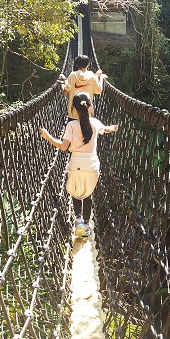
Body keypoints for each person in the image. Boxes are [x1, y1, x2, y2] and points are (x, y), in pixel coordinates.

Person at [39, 92, 119, 237]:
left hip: (76, 164)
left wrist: (47, 136)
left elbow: (63, 146)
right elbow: (106, 129)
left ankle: (79, 223)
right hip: (92, 165)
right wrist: (114, 128)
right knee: (87, 195)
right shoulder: (95, 123)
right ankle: (86, 227)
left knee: (76, 195)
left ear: (74, 108)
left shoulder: (71, 125)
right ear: (90, 105)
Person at [63, 55, 105, 120]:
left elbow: (66, 92)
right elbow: (98, 90)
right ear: (88, 64)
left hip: (73, 113)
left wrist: (63, 83)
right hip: (87, 113)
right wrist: (100, 77)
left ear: (76, 65)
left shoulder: (72, 75)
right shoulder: (92, 76)